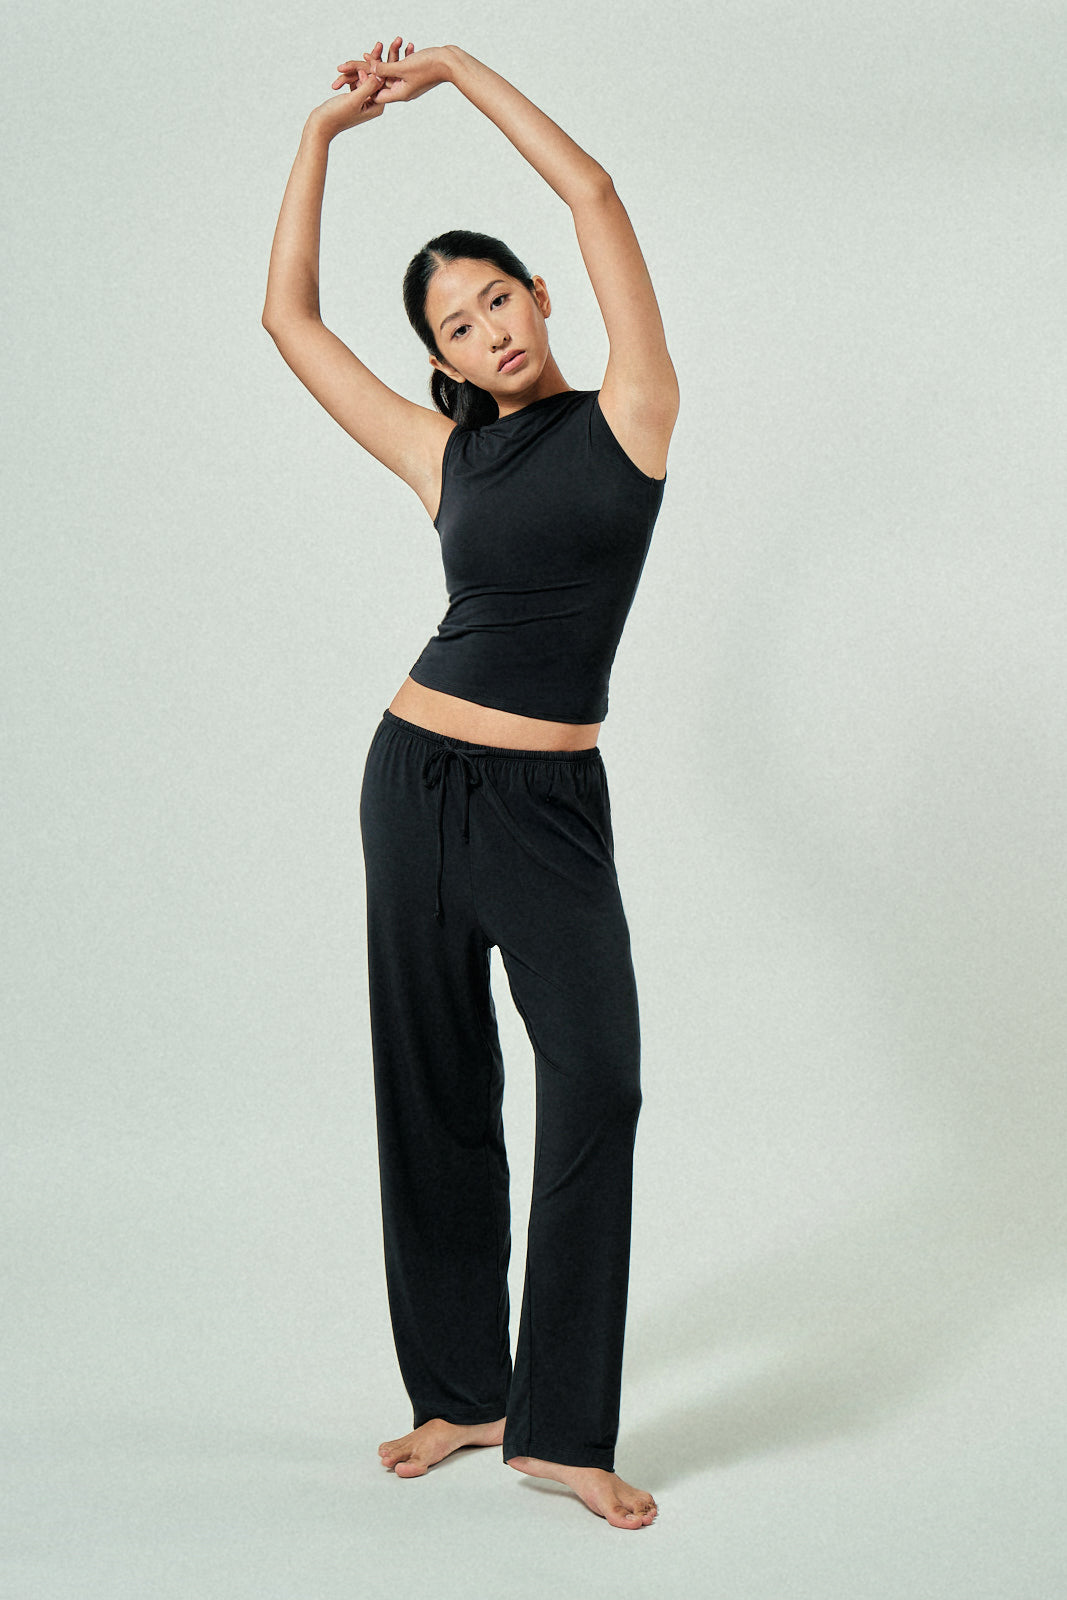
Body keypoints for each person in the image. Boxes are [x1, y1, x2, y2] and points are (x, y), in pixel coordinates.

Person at [261, 37, 679, 1530]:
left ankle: (562, 1428)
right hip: (415, 782)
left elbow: (595, 190)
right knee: (434, 1083)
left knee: (599, 1080)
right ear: (441, 360)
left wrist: (452, 67)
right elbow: (289, 319)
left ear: (541, 297)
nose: (488, 327)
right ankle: (463, 1393)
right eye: (457, 322)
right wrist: (321, 135)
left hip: (550, 811)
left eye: (499, 296)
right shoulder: (445, 458)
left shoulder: (631, 414)